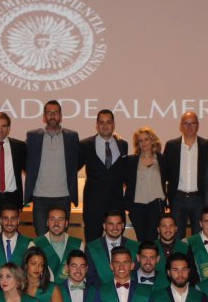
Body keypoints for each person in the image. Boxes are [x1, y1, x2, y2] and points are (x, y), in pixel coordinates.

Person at [24, 100, 82, 236]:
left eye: (55, 112)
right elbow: (24, 159)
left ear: (60, 116)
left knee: (61, 238)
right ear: (44, 117)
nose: (52, 116)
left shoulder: (72, 136)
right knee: (42, 240)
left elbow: (78, 160)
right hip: (40, 198)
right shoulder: (33, 136)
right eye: (49, 113)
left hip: (63, 197)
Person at [161, 111, 208, 239]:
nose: (189, 127)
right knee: (177, 237)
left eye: (193, 123)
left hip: (199, 199)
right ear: (181, 126)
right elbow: (164, 173)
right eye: (186, 123)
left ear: (198, 125)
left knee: (199, 238)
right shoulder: (171, 145)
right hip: (178, 199)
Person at [79, 110, 129, 242]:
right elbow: (72, 169)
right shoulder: (85, 145)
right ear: (96, 125)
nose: (105, 125)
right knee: (92, 243)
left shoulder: (123, 144)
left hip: (116, 204)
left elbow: (125, 173)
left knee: (117, 245)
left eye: (108, 122)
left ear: (113, 124)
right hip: (93, 206)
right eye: (101, 122)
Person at [122, 126, 167, 246]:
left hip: (156, 204)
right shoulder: (130, 160)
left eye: (146, 139)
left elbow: (168, 179)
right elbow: (126, 181)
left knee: (153, 239)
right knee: (141, 239)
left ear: (152, 140)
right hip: (137, 205)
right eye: (140, 141)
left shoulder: (162, 159)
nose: (143, 143)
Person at [85, 210, 137, 287]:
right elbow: (90, 276)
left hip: (129, 294)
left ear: (123, 225)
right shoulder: (91, 247)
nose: (115, 228)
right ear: (104, 226)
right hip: (100, 293)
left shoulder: (135, 247)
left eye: (118, 224)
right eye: (111, 224)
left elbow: (136, 274)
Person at [31, 206, 83, 284]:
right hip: (44, 292)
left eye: (60, 219)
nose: (56, 223)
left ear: (66, 223)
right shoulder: (35, 245)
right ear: (47, 223)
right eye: (52, 219)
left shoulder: (78, 245)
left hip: (70, 293)